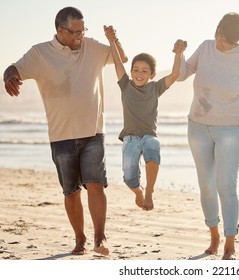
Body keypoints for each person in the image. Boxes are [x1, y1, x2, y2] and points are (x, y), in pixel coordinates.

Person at [3, 6, 128, 256]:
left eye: (83, 31)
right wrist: (9, 77)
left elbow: (121, 59)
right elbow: (13, 69)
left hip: (93, 131)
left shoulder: (91, 46)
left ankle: (99, 238)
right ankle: (80, 239)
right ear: (60, 30)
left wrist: (113, 40)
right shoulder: (39, 53)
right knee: (71, 191)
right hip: (61, 135)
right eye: (75, 32)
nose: (80, 37)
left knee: (96, 184)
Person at [176, 12, 239, 260]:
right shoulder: (206, 47)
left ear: (236, 40)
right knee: (206, 186)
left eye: (225, 38)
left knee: (226, 185)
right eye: (218, 31)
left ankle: (230, 243)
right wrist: (178, 54)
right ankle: (214, 236)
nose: (218, 38)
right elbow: (182, 74)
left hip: (231, 127)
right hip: (198, 126)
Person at [105, 26, 186, 211]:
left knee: (153, 147)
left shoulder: (155, 88)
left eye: (144, 71)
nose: (139, 74)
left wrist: (178, 53)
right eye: (136, 70)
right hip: (130, 138)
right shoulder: (125, 85)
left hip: (149, 134)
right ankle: (138, 192)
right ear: (131, 71)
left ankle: (149, 190)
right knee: (129, 178)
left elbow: (175, 75)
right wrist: (112, 41)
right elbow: (118, 64)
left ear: (152, 75)